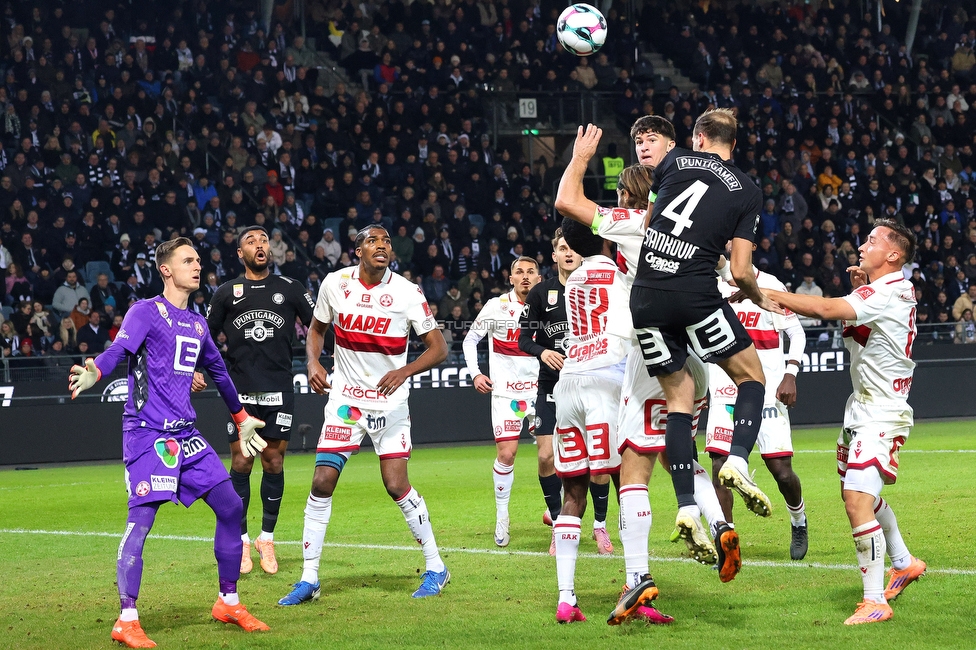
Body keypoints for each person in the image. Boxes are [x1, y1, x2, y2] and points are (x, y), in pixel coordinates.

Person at [555, 118, 729, 628]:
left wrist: (581, 158)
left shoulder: (627, 231)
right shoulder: (699, 228)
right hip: (682, 351)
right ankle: (713, 521)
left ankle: (628, 579)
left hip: (628, 360)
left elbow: (569, 204)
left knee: (622, 473)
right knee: (673, 450)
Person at [67, 237, 269, 648]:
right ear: (166, 269)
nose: (198, 266)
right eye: (188, 260)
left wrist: (242, 418)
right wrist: (96, 371)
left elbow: (219, 373)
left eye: (198, 260)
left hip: (186, 435)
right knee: (141, 521)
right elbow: (119, 348)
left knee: (231, 507)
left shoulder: (196, 323)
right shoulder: (146, 311)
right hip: (147, 434)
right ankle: (127, 619)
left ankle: (228, 602)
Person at [760, 219, 926, 625]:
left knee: (856, 502)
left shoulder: (888, 292)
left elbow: (824, 308)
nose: (862, 244)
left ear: (894, 254)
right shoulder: (881, 291)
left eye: (872, 240)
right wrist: (857, 289)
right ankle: (903, 562)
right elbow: (856, 328)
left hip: (882, 411)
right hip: (861, 409)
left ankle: (874, 602)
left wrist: (765, 292)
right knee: (857, 497)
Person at [278, 225, 451, 606]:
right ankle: (309, 578)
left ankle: (437, 567)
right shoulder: (335, 284)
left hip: (390, 404)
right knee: (322, 480)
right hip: (346, 401)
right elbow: (316, 329)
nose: (382, 246)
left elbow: (439, 349)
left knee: (395, 485)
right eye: (373, 241)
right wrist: (312, 362)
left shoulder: (407, 292)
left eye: (387, 241)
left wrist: (404, 371)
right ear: (357, 250)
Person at [627, 110, 776, 549]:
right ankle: (737, 461)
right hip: (693, 292)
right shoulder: (748, 189)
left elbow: (653, 223)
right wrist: (755, 295)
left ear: (697, 137)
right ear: (734, 142)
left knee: (679, 400)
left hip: (646, 293)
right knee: (751, 377)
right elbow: (742, 268)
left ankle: (688, 507)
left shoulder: (673, 162)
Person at [197, 225, 315, 575]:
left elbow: (320, 327)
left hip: (280, 390)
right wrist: (197, 369)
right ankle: (243, 540)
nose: (260, 245)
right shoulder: (226, 292)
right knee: (242, 463)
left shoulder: (291, 289)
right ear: (240, 253)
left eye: (264, 240)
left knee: (274, 463)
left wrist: (315, 361)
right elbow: (204, 334)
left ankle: (267, 537)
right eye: (251, 241)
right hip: (241, 393)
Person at [548, 217, 630, 623]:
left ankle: (566, 599)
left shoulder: (573, 280)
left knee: (572, 493)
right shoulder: (616, 273)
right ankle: (635, 583)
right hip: (606, 381)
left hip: (569, 384)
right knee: (627, 480)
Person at [520, 229, 619, 556]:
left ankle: (600, 527)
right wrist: (541, 352)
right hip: (552, 387)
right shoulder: (540, 293)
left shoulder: (597, 286)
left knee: (599, 460)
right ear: (555, 254)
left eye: (573, 248)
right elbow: (523, 338)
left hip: (593, 383)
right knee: (547, 456)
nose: (568, 253)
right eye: (562, 248)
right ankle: (560, 521)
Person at [705, 253, 809, 560]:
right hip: (725, 389)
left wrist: (790, 374)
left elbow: (797, 333)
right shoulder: (713, 288)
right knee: (719, 466)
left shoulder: (770, 285)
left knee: (782, 472)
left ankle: (798, 521)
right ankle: (728, 540)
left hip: (766, 390)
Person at [462, 257, 541, 547]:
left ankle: (555, 511)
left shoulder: (548, 304)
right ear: (511, 279)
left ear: (539, 278)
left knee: (552, 454)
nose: (525, 277)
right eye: (519, 272)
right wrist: (476, 374)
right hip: (507, 393)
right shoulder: (496, 307)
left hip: (541, 391)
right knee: (507, 455)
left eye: (531, 272)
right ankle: (502, 516)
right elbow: (470, 340)